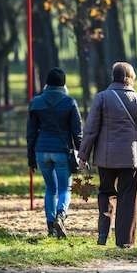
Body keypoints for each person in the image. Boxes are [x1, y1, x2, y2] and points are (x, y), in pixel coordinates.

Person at [78, 62, 137, 248]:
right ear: (130, 78)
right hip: (132, 158)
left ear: (113, 76)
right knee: (128, 198)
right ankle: (125, 241)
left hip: (106, 158)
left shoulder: (101, 98)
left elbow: (90, 130)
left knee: (105, 193)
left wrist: (83, 155)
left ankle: (103, 233)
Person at [26, 67, 83, 238]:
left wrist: (31, 158)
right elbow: (77, 131)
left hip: (41, 151)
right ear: (63, 84)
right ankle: (60, 216)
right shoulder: (69, 102)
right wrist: (81, 153)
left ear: (47, 84)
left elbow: (30, 133)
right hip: (62, 151)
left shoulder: (36, 102)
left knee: (50, 188)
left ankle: (50, 226)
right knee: (65, 188)